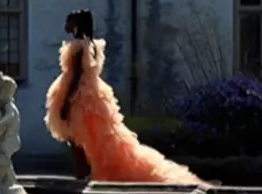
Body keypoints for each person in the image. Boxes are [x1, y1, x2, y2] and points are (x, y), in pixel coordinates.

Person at [44, 9, 207, 184]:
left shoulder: (78, 46)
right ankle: (85, 174)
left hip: (80, 95)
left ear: (76, 24)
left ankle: (81, 176)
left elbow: (76, 76)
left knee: (78, 137)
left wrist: (67, 103)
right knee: (89, 138)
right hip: (93, 91)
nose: (66, 26)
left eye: (70, 22)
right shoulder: (92, 45)